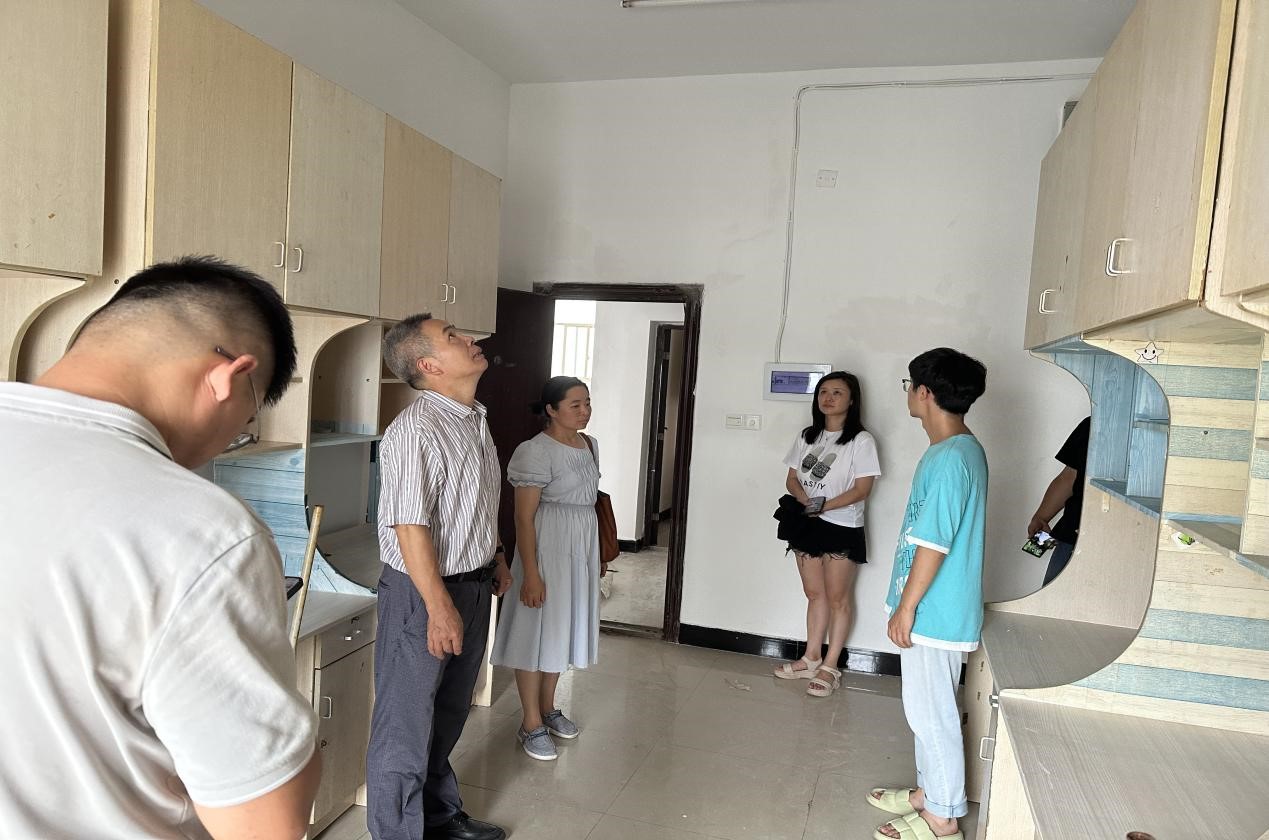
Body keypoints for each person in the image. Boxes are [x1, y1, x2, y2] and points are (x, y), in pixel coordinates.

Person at [0, 257, 321, 837]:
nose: (230, 441)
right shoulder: (204, 532)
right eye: (246, 421)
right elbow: (264, 824)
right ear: (228, 378)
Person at [368, 313, 513, 840]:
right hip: (424, 594)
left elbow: (473, 503)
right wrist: (438, 606)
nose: (470, 340)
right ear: (429, 365)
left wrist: (497, 556)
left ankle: (438, 816)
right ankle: (396, 833)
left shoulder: (473, 418)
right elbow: (410, 526)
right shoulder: (415, 430)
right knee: (404, 726)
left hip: (473, 585)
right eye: (453, 337)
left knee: (449, 711)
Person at [870, 348, 988, 840]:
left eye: (909, 385)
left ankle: (942, 817)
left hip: (934, 611)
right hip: (932, 606)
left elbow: (934, 544)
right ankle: (930, 793)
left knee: (931, 713)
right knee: (924, 708)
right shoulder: (951, 450)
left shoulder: (953, 457)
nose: (908, 394)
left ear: (924, 393)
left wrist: (907, 607)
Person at [490, 376, 603, 761]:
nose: (585, 411)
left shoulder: (590, 445)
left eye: (587, 403)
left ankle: (549, 707)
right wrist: (532, 574)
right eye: (576, 405)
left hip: (580, 546)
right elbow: (523, 519)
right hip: (547, 547)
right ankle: (530, 721)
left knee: (561, 628)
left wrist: (596, 557)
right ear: (551, 410)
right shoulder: (534, 451)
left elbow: (590, 501)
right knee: (535, 631)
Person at [772, 371, 880, 697]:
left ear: (852, 400)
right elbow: (792, 479)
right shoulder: (807, 436)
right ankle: (811, 657)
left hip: (842, 526)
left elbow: (862, 489)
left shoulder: (861, 440)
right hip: (806, 523)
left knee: (837, 598)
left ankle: (831, 666)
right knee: (814, 594)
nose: (828, 398)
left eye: (837, 392)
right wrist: (806, 502)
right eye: (823, 392)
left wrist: (825, 506)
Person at [1027, 416, 1091, 585]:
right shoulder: (1091, 425)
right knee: (1053, 595)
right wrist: (1041, 517)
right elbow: (1069, 477)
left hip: (1113, 539)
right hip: (1070, 536)